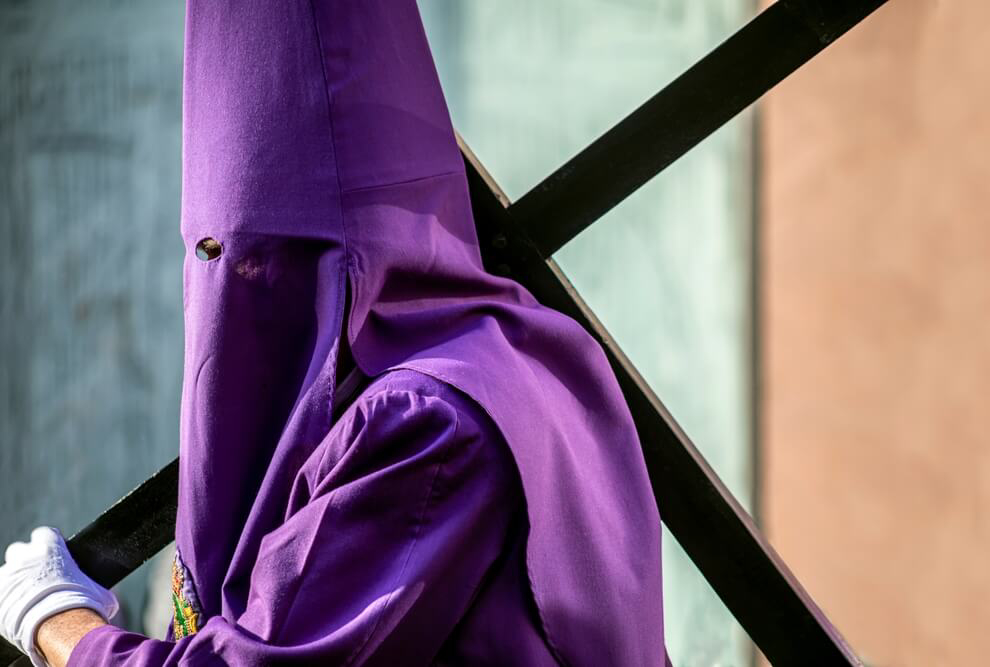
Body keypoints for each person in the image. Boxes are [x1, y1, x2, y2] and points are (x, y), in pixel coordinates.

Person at [0, 1, 666, 665]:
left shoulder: (422, 422)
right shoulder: (530, 347)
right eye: (214, 258)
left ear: (343, 254)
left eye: (258, 257)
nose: (234, 288)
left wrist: (58, 621)